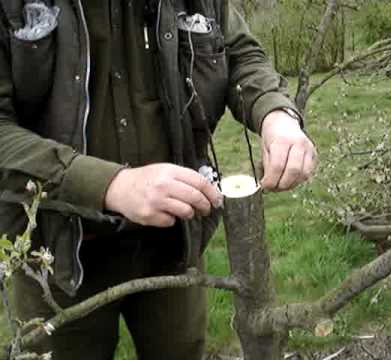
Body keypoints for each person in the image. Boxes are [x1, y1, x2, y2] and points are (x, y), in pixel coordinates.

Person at [0, 0, 316, 359]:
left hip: (174, 240)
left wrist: (275, 112)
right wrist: (111, 184)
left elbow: (237, 51)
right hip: (55, 250)